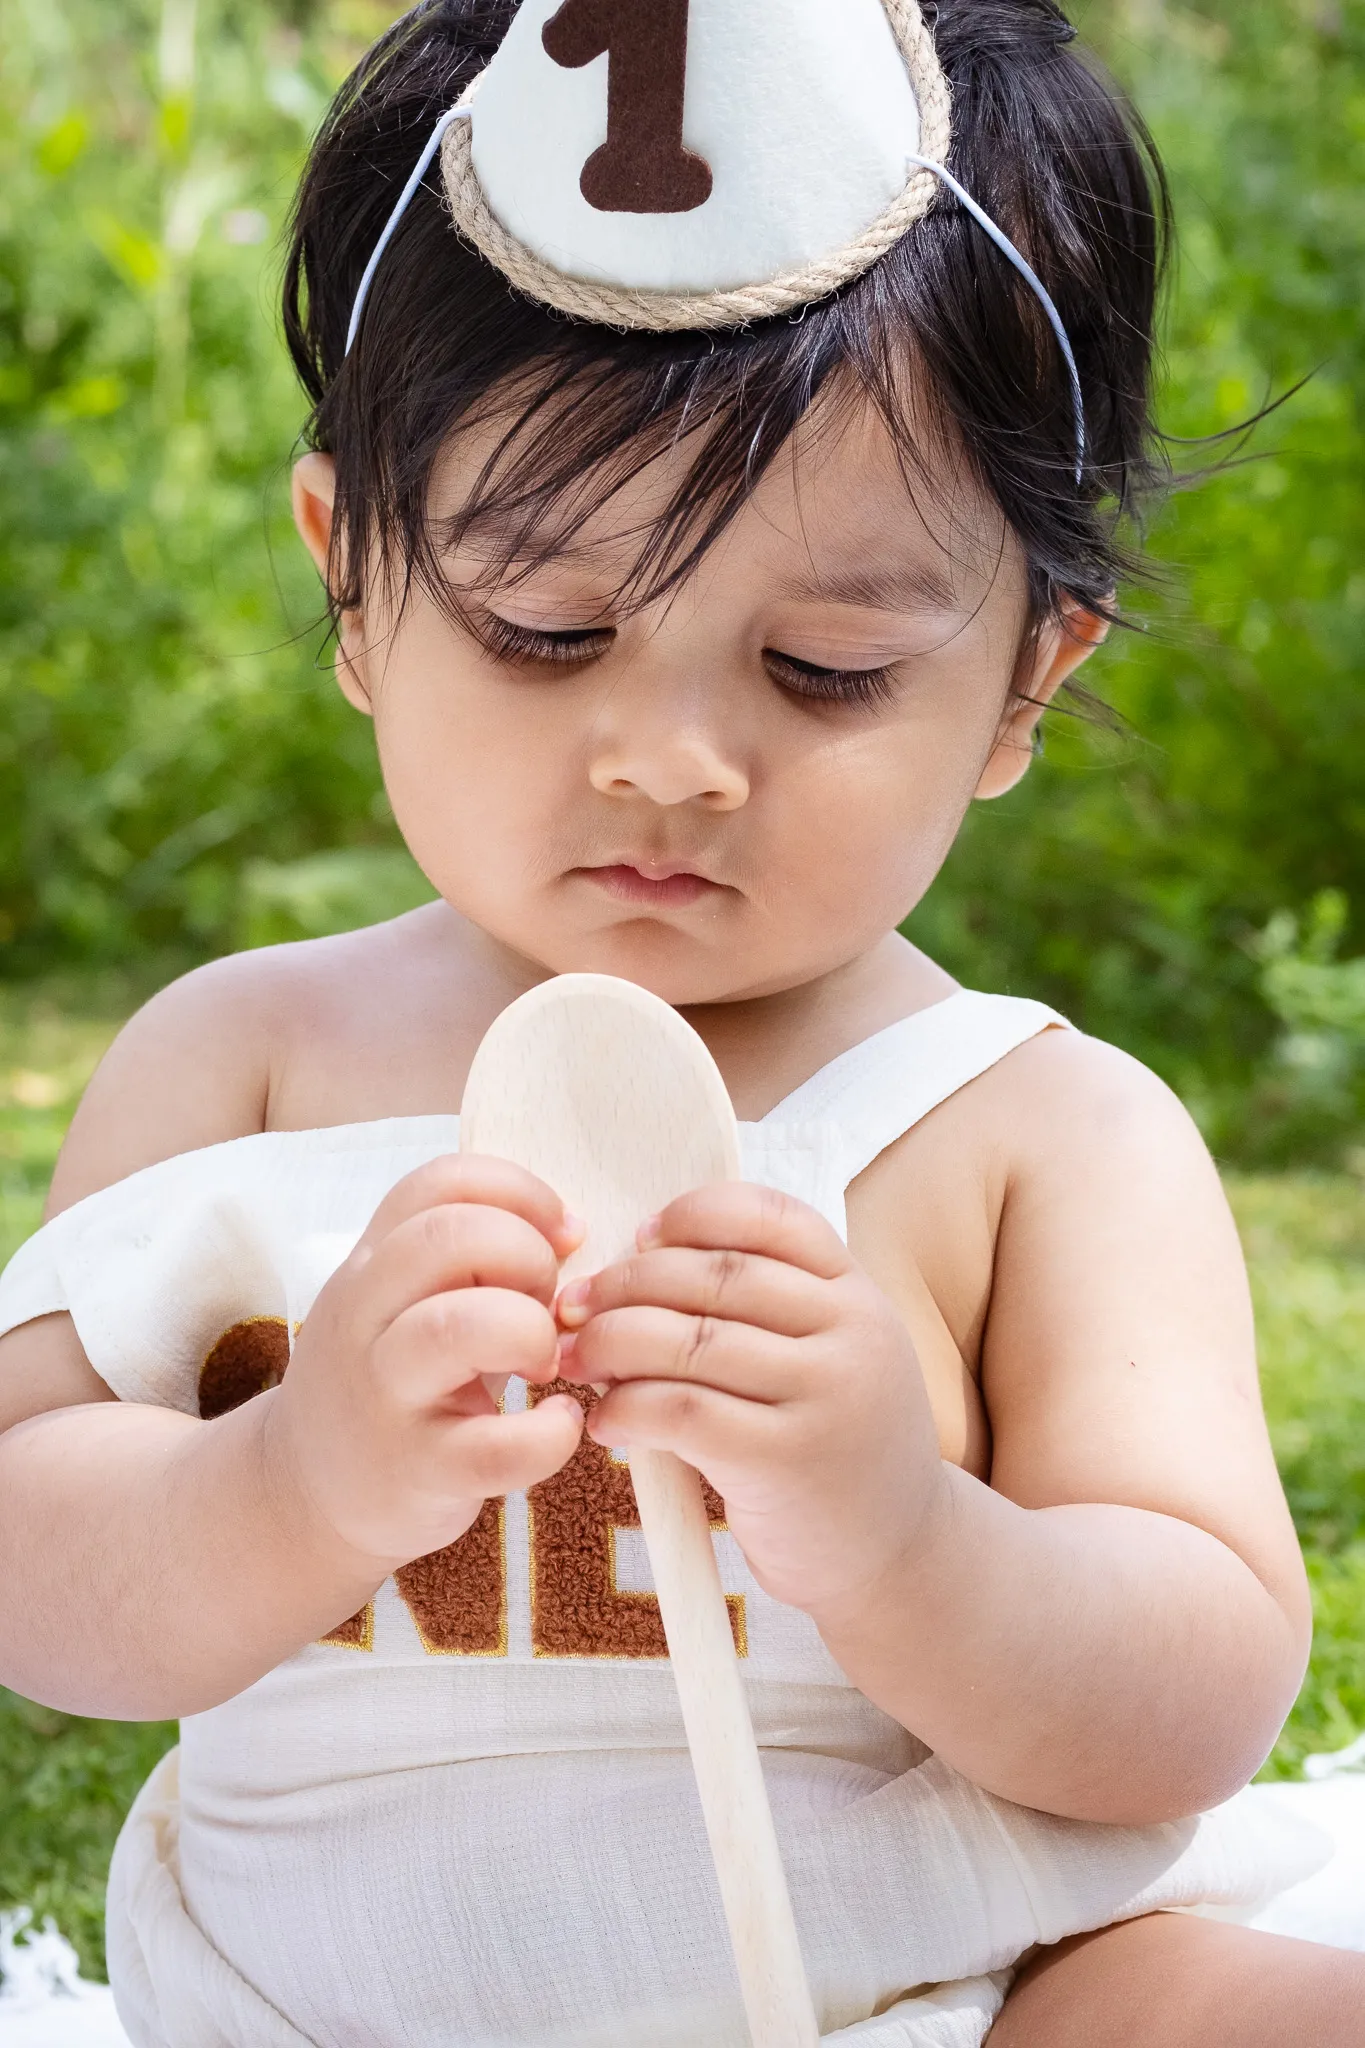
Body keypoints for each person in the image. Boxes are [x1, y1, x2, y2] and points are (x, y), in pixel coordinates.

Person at [0, 1, 1359, 2042]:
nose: (669, 759)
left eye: (822, 667)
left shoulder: (1032, 1136)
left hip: (956, 1983)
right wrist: (294, 1477)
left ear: (1022, 684)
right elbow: (32, 1570)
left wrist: (901, 1529)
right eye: (548, 630)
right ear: (354, 580)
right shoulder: (243, 1062)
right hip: (327, 2007)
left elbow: (1185, 1698)